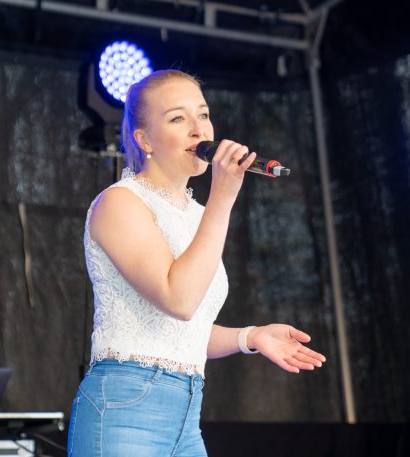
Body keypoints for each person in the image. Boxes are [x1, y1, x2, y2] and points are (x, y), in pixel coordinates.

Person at [67, 69, 327, 457]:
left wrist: (250, 336)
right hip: (125, 409)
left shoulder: (196, 213)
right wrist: (223, 197)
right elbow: (179, 299)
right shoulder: (120, 203)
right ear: (144, 139)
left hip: (186, 417)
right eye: (177, 118)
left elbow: (181, 332)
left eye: (203, 115)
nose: (198, 130)